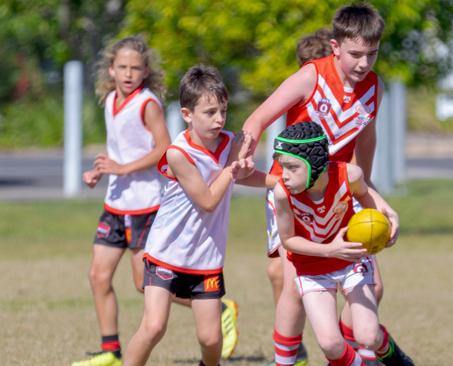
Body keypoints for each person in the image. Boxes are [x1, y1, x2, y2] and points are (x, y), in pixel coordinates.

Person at [243, 4, 412, 365]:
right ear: (335, 47)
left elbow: (365, 142)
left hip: (339, 189)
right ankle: (289, 361)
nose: (364, 63)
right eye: (355, 54)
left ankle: (360, 350)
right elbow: (258, 118)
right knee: (293, 286)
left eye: (372, 54)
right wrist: (245, 151)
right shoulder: (311, 77)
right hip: (293, 191)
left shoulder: (373, 87)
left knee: (373, 286)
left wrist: (368, 198)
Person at [123, 64, 267, 366]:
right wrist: (232, 169)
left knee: (211, 339)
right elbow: (208, 201)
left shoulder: (229, 143)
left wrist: (278, 182)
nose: (219, 119)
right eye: (210, 112)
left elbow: (242, 176)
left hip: (206, 258)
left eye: (223, 111)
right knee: (153, 327)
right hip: (166, 252)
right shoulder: (178, 153)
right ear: (187, 115)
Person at [273, 121, 409, 365]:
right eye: (282, 167)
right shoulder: (283, 194)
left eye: (292, 167)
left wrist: (388, 213)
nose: (284, 175)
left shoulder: (349, 175)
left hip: (351, 262)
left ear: (314, 164)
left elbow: (365, 195)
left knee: (368, 336)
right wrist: (329, 250)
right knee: (331, 345)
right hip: (311, 269)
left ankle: (399, 360)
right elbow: (288, 240)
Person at [73, 36, 170, 366]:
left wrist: (123, 168)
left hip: (146, 205)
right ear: (111, 69)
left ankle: (212, 302)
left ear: (145, 71)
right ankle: (110, 350)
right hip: (116, 204)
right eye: (123, 67)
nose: (128, 73)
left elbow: (163, 148)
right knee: (98, 276)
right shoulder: (111, 99)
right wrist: (100, 173)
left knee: (145, 284)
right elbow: (119, 152)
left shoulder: (148, 103)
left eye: (136, 68)